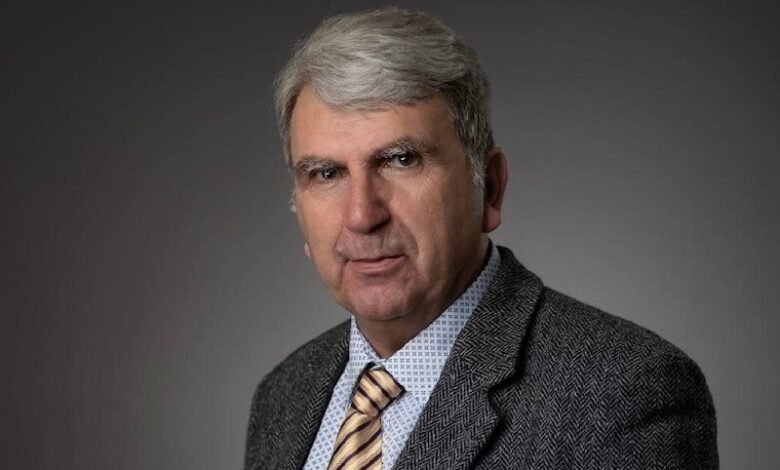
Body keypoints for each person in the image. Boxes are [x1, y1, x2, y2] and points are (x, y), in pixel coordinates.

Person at [244, 7, 718, 470]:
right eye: (326, 173)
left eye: (402, 160)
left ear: (489, 187)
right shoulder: (283, 394)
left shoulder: (624, 392)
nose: (362, 216)